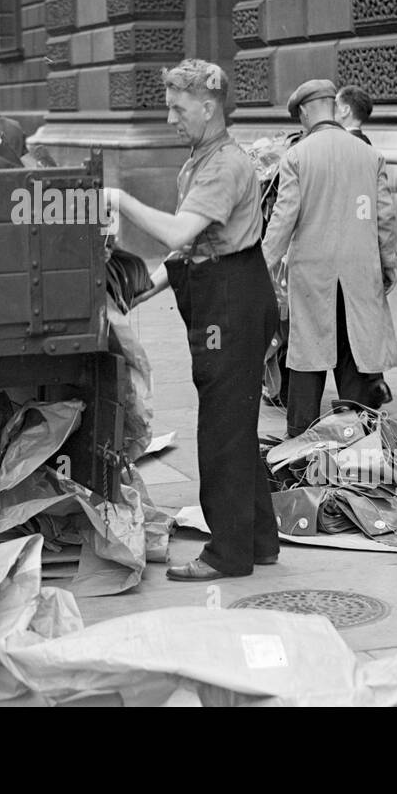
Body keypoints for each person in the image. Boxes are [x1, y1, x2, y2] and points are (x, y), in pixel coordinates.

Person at [103, 59, 280, 582]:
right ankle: (259, 541)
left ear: (208, 107)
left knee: (222, 428)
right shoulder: (201, 161)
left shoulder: (223, 165)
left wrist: (119, 199)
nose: (170, 120)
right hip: (227, 296)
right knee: (236, 423)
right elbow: (190, 252)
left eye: (178, 109)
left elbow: (180, 234)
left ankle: (227, 555)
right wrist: (139, 292)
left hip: (233, 301)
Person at [262, 79, 397, 437]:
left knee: (307, 361)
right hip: (360, 273)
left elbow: (282, 219)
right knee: (355, 359)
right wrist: (388, 267)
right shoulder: (369, 155)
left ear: (306, 112)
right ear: (332, 107)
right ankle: (363, 444)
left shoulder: (297, 156)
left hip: (312, 277)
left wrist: (261, 267)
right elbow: (385, 218)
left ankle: (301, 447)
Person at [335, 84, 391, 405]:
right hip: (365, 256)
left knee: (352, 333)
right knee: (363, 328)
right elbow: (382, 217)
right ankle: (372, 385)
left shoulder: (346, 151)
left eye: (334, 106)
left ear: (345, 110)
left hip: (346, 259)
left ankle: (366, 394)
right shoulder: (370, 149)